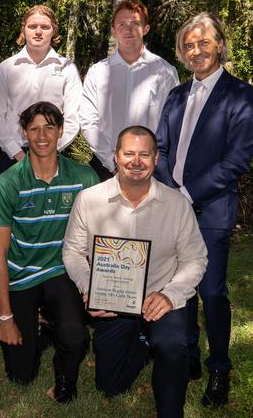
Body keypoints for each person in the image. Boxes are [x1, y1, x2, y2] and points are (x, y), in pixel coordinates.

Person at [63, 126, 208, 418]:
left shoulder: (177, 204)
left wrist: (171, 295)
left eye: (144, 154)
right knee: (110, 385)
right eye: (129, 153)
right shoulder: (89, 200)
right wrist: (90, 288)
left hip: (161, 296)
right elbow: (73, 251)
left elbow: (196, 259)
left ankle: (170, 409)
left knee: (170, 345)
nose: (136, 161)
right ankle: (143, 342)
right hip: (113, 299)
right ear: (116, 157)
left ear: (155, 159)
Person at [155, 12, 253, 408]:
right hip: (172, 205)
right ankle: (189, 354)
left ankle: (219, 367)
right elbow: (160, 146)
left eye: (203, 43)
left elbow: (238, 159)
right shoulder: (177, 94)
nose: (196, 51)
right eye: (189, 45)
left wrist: (189, 193)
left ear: (219, 45)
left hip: (210, 209)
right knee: (182, 286)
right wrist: (169, 189)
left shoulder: (242, 95)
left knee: (211, 290)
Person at [0, 101, 98, 402]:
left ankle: (65, 374)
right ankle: (40, 329)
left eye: (49, 127)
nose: (42, 135)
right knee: (20, 375)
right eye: (34, 128)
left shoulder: (84, 177)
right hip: (21, 275)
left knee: (75, 335)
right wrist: (6, 318)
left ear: (61, 131)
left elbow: (98, 241)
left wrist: (95, 289)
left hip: (60, 270)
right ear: (24, 133)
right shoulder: (8, 183)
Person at [81, 0, 179, 180]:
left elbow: (171, 123)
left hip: (151, 170)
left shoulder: (165, 72)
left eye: (135, 23)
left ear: (146, 28)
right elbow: (88, 121)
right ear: (113, 30)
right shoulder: (98, 72)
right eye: (122, 24)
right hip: (105, 168)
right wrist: (113, 162)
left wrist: (147, 161)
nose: (128, 30)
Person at [0, 5, 83, 172]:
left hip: (55, 155)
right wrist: (16, 153)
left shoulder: (68, 68)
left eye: (45, 27)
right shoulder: (6, 68)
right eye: (32, 26)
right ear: (23, 29)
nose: (38, 31)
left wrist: (51, 150)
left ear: (54, 31)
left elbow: (73, 118)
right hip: (13, 158)